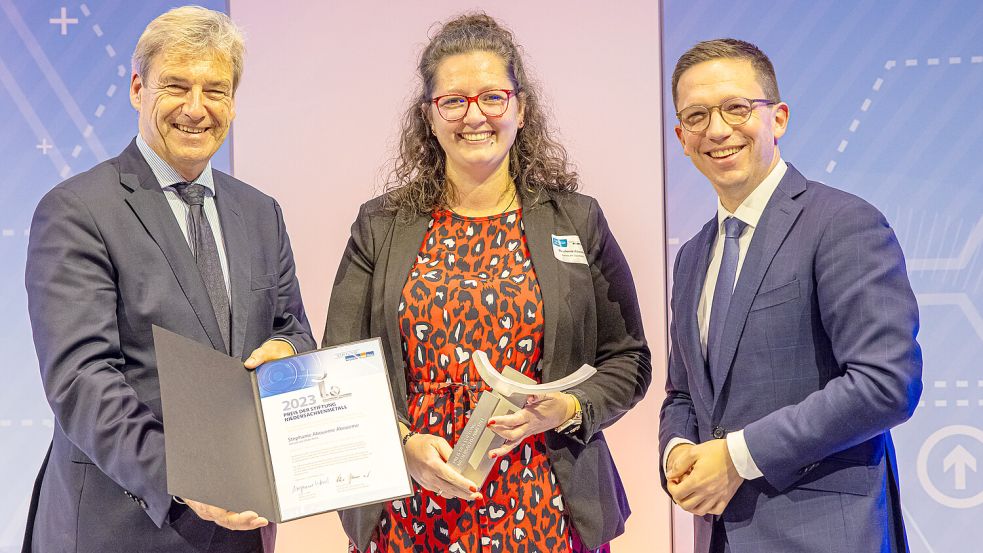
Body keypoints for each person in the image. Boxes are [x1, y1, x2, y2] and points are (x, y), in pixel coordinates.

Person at [323, 13, 651, 553]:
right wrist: (402, 446)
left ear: (520, 110)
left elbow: (628, 359)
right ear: (429, 117)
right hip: (412, 507)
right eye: (453, 100)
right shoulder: (380, 226)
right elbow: (340, 368)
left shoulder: (576, 219)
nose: (474, 115)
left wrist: (568, 408)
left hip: (546, 503)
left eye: (493, 98)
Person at [22, 6, 315, 553]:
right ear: (137, 88)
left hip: (240, 532)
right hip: (118, 527)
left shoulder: (260, 212)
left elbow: (294, 330)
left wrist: (288, 356)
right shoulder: (76, 210)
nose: (196, 109)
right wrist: (185, 478)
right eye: (176, 86)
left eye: (216, 90)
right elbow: (83, 380)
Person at [658, 38, 923, 553]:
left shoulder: (842, 223)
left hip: (827, 535)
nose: (717, 129)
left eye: (736, 107)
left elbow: (886, 383)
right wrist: (679, 451)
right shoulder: (691, 256)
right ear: (681, 137)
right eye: (696, 116)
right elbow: (683, 394)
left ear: (777, 118)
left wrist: (737, 455)